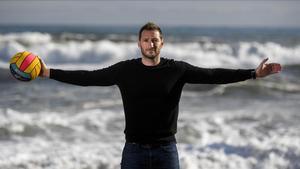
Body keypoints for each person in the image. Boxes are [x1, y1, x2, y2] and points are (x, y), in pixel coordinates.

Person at [39, 22, 281, 169]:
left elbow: (212, 74)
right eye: (146, 40)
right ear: (139, 44)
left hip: (166, 150)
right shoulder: (125, 70)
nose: (150, 44)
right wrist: (48, 72)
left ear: (162, 43)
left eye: (154, 40)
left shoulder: (177, 70)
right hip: (133, 150)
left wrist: (253, 74)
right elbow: (88, 77)